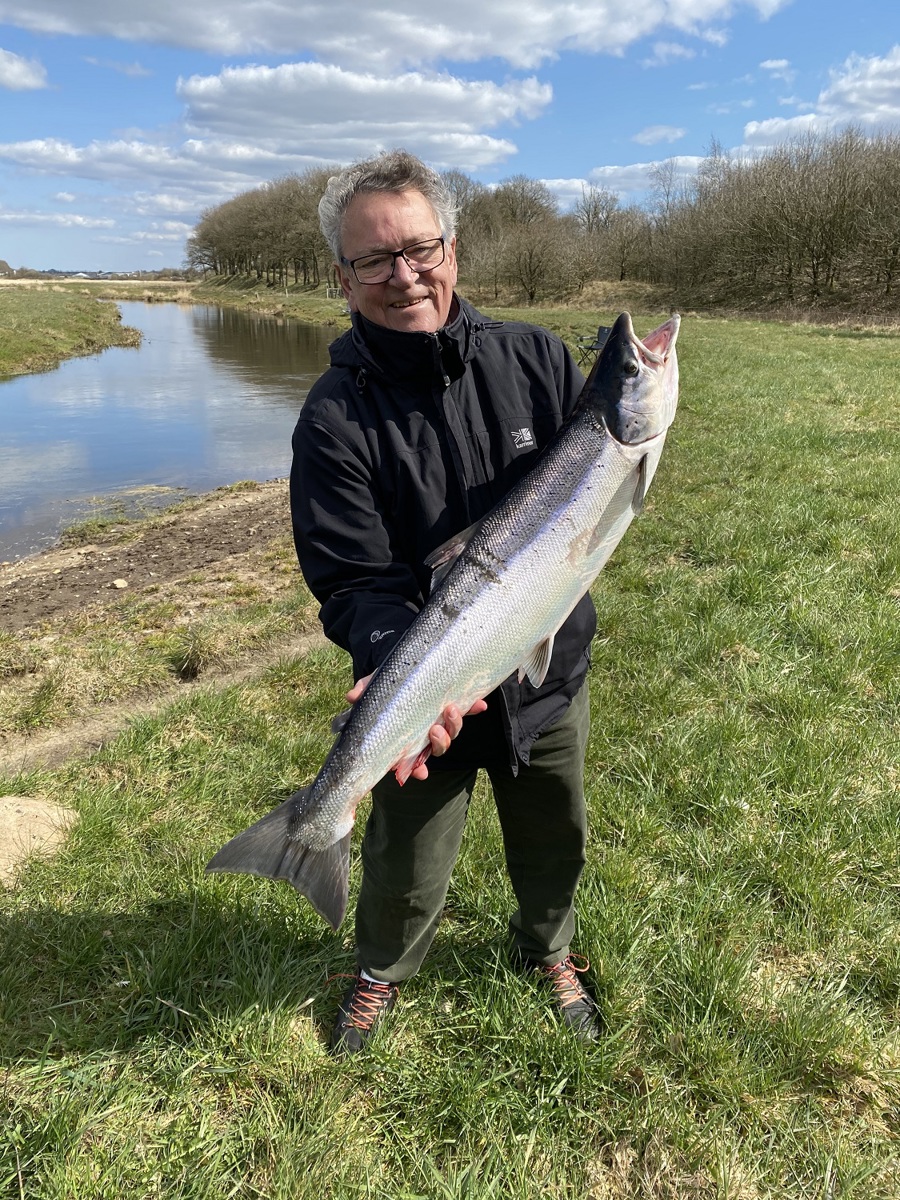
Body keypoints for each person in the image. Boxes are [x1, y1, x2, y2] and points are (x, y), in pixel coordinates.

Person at [290, 149, 601, 1055]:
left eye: (420, 248)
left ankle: (549, 947)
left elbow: (590, 501)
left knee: (555, 830)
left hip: (547, 667)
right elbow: (351, 579)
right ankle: (380, 965)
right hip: (429, 687)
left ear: (453, 250)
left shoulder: (538, 358)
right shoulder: (332, 417)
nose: (405, 276)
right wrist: (397, 659)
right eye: (375, 261)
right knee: (407, 858)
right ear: (343, 279)